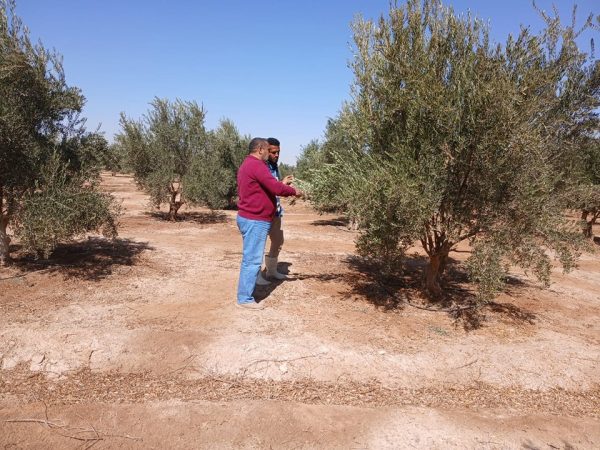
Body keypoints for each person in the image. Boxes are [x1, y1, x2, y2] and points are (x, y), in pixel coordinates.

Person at [236, 137, 302, 310]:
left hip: (250, 217)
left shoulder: (248, 164)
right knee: (252, 260)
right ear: (260, 149)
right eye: (267, 150)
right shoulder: (257, 165)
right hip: (255, 219)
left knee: (250, 258)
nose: (269, 153)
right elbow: (275, 188)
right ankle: (245, 298)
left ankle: (247, 293)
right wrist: (295, 192)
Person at [260, 137, 293, 281]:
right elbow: (268, 188)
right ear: (267, 151)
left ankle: (271, 271)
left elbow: (275, 188)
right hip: (262, 213)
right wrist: (282, 184)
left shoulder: (274, 166)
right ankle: (255, 276)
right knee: (258, 245)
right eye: (273, 152)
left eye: (278, 152)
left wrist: (283, 185)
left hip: (276, 212)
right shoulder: (261, 166)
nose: (277, 155)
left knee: (278, 241)